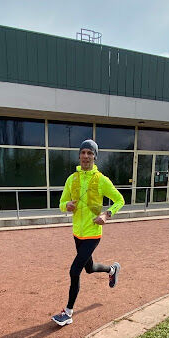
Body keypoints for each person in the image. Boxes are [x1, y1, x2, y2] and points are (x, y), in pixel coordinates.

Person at [52, 139, 125, 326]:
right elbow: (61, 203)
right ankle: (112, 269)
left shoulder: (101, 180)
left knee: (74, 271)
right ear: (79, 155)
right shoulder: (72, 179)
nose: (86, 156)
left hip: (93, 233)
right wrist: (65, 206)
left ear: (95, 156)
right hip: (77, 233)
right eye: (83, 152)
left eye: (90, 153)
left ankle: (68, 312)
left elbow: (120, 200)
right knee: (89, 268)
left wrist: (107, 215)